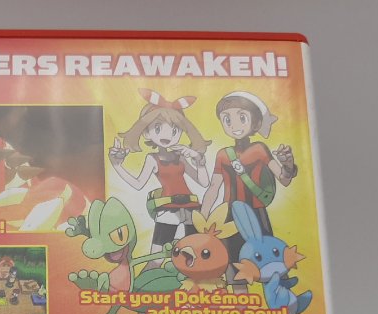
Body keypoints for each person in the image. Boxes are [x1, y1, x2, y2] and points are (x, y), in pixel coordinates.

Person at [200, 91, 298, 264]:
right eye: (227, 119)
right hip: (229, 216)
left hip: (257, 213)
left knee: (266, 262)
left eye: (242, 117)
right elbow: (213, 188)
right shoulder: (223, 155)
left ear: (256, 123)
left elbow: (284, 179)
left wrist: (288, 165)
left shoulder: (259, 149)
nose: (234, 125)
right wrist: (203, 218)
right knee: (233, 262)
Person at [109, 89, 211, 254]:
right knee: (157, 255)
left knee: (195, 253)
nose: (167, 135)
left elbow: (204, 182)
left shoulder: (181, 157)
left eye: (174, 130)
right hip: (168, 208)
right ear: (146, 132)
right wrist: (117, 166)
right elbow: (138, 184)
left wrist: (198, 158)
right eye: (157, 128)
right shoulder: (152, 159)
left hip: (191, 208)